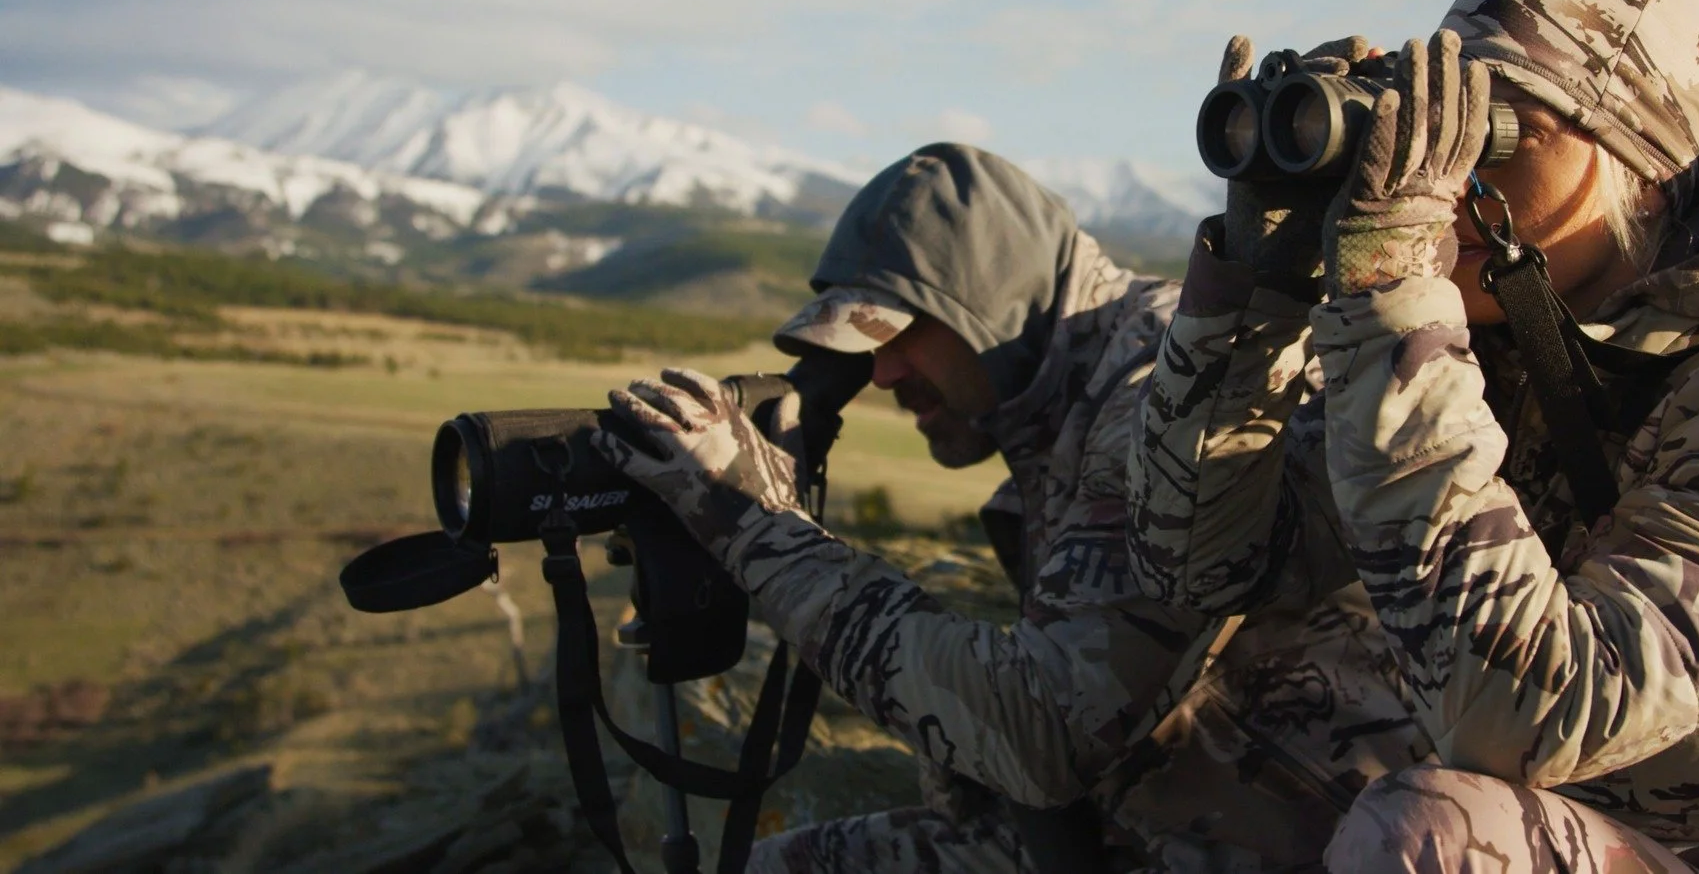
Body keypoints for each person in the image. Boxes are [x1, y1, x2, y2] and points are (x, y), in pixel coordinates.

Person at [1128, 0, 1699, 872]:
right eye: (1434, 125)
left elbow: (1525, 717)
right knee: (1231, 721)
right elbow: (1199, 563)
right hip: (1572, 829)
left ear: (1633, 155)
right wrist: (1256, 294)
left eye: (1495, 133)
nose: (1446, 174)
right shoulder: (1493, 346)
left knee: (1426, 834)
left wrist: (1392, 285)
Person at [595, 143, 1434, 872]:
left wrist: (752, 523)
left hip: (1307, 842)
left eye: (898, 335)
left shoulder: (1160, 396)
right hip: (1135, 830)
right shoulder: (1072, 399)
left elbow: (1043, 731)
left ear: (988, 305)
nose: (883, 377)